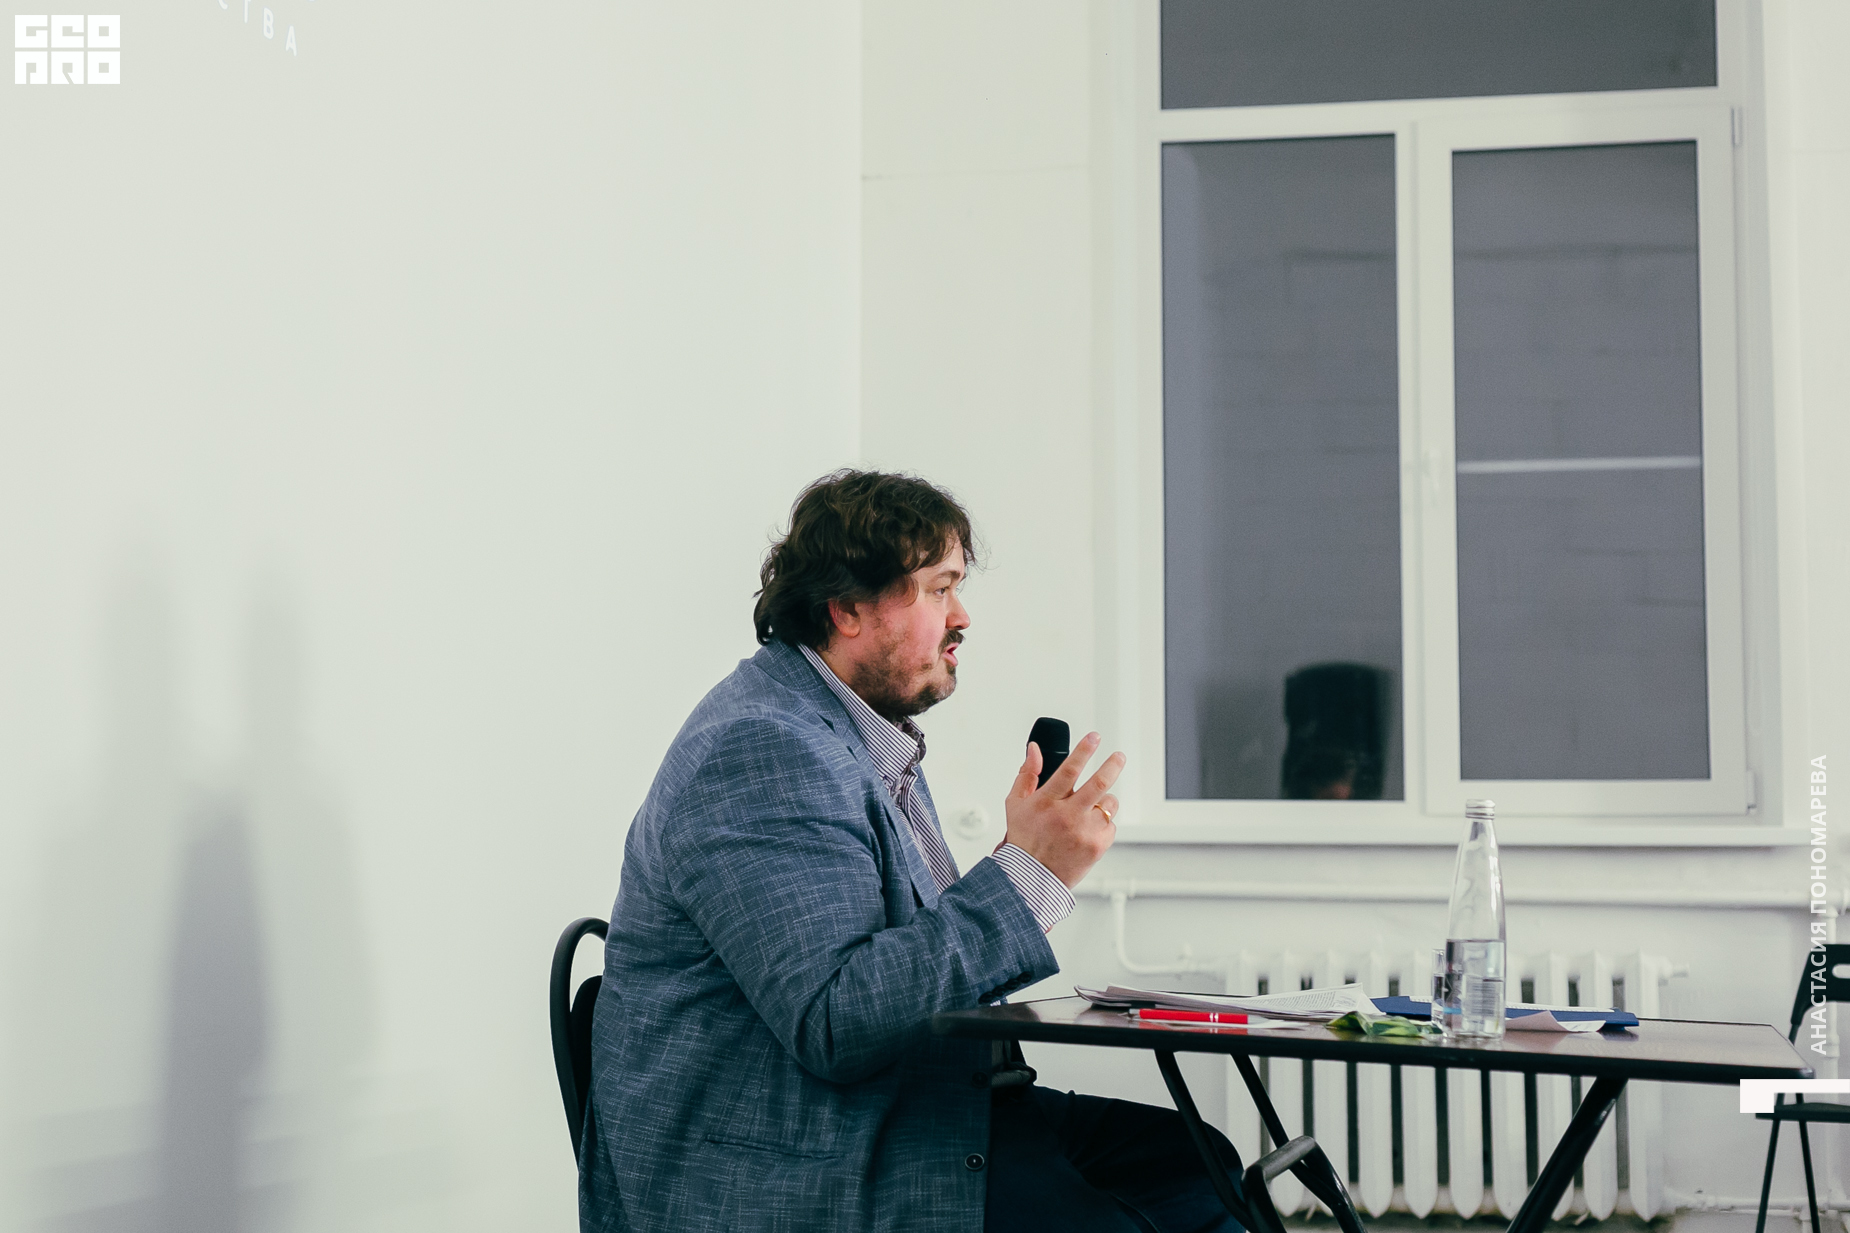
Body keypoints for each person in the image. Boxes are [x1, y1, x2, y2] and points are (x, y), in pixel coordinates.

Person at [580, 470, 1246, 1232]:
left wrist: (1020, 859)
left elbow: (894, 963)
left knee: (1199, 1164)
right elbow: (837, 1021)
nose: (962, 617)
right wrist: (1029, 873)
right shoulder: (763, 749)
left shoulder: (860, 735)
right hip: (804, 1160)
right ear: (847, 608)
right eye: (938, 589)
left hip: (909, 1109)